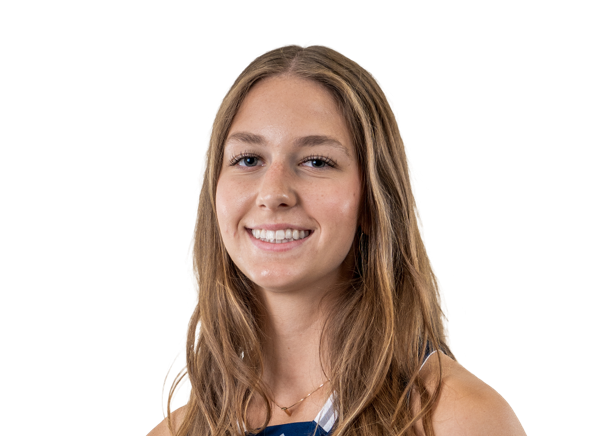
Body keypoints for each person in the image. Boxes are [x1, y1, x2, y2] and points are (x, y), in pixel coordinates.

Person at [147, 43, 527, 436]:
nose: (273, 193)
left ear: (373, 200)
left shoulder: (458, 420)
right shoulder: (175, 433)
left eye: (316, 161)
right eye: (248, 159)